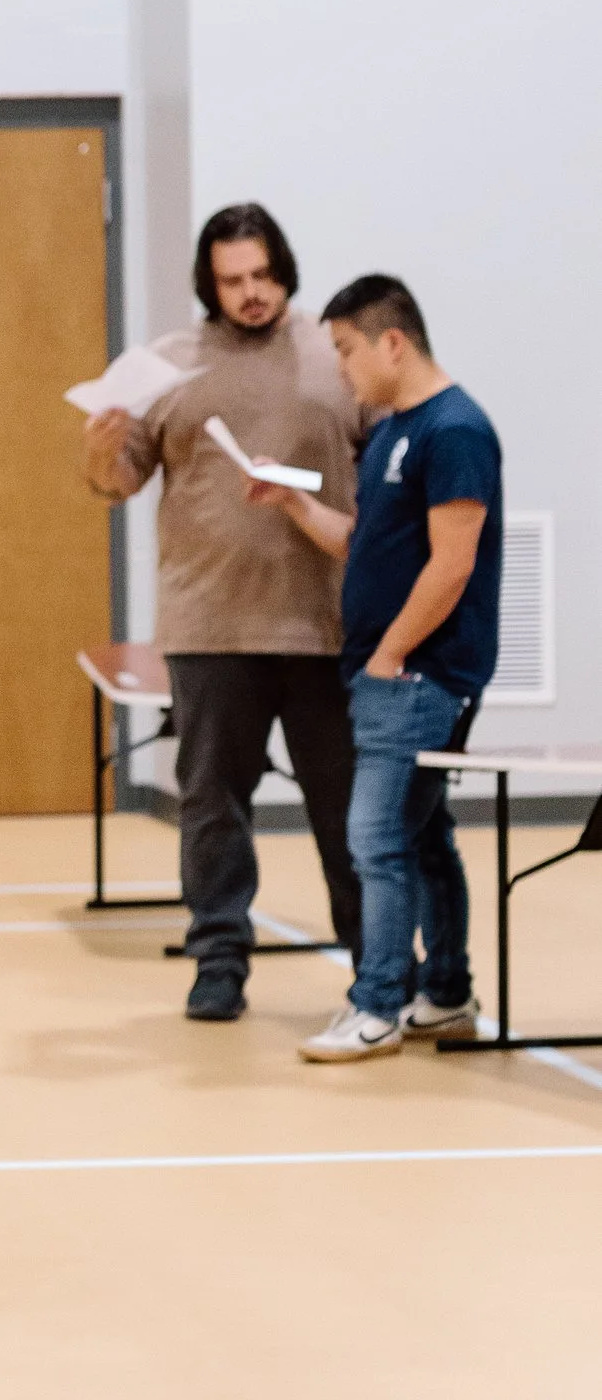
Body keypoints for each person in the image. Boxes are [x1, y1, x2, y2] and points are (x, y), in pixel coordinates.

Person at [83, 202, 362, 1019]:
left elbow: (385, 470)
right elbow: (115, 481)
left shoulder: (332, 354)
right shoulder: (167, 366)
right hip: (210, 627)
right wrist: (101, 444)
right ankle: (218, 961)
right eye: (233, 280)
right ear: (208, 284)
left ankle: (376, 970)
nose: (251, 293)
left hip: (325, 625)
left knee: (347, 812)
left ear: (285, 272)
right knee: (212, 807)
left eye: (263, 276)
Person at [245, 274, 502, 1063]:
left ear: (394, 342)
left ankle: (378, 1005)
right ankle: (446, 994)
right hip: (391, 671)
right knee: (422, 839)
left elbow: (452, 565)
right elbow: (365, 545)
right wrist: (291, 503)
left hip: (418, 676)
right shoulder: (394, 431)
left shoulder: (454, 430)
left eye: (349, 352)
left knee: (376, 838)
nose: (344, 371)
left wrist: (391, 653)